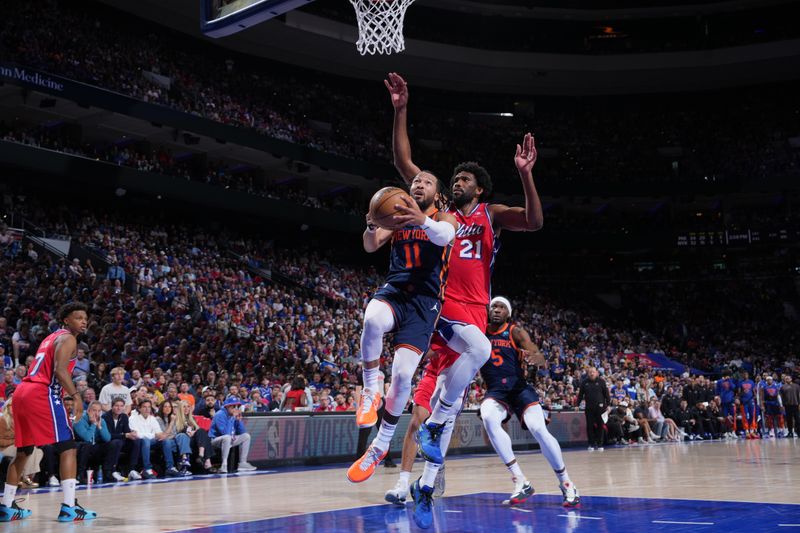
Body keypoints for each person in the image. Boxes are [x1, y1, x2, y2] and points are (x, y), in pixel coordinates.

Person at [386, 74, 543, 528]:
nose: (456, 182)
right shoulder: (441, 212)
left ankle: (427, 482)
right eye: (453, 178)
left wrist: (527, 176)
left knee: (450, 406)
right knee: (446, 391)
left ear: (480, 188)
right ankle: (412, 460)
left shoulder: (491, 214)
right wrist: (401, 109)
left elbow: (534, 222)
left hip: (474, 312)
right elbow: (403, 162)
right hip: (444, 303)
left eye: (464, 178)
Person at [347, 171, 458, 484]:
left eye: (426, 181)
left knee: (403, 376)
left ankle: (380, 445)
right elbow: (370, 245)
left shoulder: (444, 217)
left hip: (424, 302)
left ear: (438, 195)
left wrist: (420, 220)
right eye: (415, 181)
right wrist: (372, 224)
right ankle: (370, 389)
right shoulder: (395, 217)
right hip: (395, 290)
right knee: (371, 318)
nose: (418, 183)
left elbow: (443, 236)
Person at [477, 297, 579, 509]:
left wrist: (538, 359)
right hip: (496, 390)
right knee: (487, 416)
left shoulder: (515, 331)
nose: (496, 310)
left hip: (519, 388)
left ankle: (567, 483)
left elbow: (536, 352)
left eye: (501, 307)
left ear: (508, 313)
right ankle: (520, 480)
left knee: (538, 429)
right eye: (493, 306)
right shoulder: (479, 331)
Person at [1, 302, 97, 522]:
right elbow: (60, 371)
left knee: (24, 451)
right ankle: (69, 507)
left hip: (22, 392)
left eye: (85, 317)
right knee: (68, 447)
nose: (83, 321)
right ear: (66, 320)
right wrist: (76, 396)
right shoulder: (69, 338)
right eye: (78, 317)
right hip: (41, 392)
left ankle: (6, 506)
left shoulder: (50, 338)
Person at [74, 400, 124, 484]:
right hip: (81, 447)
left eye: (99, 411)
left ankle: (107, 473)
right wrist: (93, 424)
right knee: (86, 445)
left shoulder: (101, 420)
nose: (96, 413)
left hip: (95, 447)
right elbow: (86, 437)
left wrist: (100, 427)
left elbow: (107, 438)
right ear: (88, 410)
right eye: (94, 410)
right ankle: (80, 475)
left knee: (115, 443)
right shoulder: (79, 419)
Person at [0, 399, 43, 489]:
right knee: (26, 450)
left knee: (38, 451)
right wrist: (15, 441)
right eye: (12, 405)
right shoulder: (2, 420)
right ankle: (25, 478)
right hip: (4, 448)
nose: (14, 408)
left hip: (17, 445)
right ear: (7, 407)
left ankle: (25, 477)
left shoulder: (21, 420)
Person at [209, 398, 257, 474]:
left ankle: (242, 463)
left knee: (246, 436)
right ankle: (224, 465)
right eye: (233, 406)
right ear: (227, 407)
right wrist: (232, 418)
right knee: (227, 437)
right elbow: (225, 433)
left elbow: (242, 431)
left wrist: (238, 421)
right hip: (215, 440)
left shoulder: (232, 415)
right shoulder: (220, 414)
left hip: (229, 439)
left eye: (236, 406)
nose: (235, 408)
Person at [102, 398, 142, 480]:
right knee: (117, 442)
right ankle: (113, 470)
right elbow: (108, 435)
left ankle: (132, 469)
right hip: (107, 443)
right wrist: (125, 435)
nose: (119, 408)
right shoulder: (105, 417)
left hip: (121, 441)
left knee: (136, 441)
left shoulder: (124, 416)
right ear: (112, 406)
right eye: (116, 406)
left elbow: (126, 431)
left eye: (121, 406)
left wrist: (132, 433)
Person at [577, 367, 610, 451]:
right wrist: (577, 405)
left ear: (596, 373)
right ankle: (591, 444)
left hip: (600, 408)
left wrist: (608, 404)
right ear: (588, 373)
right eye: (590, 372)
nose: (592, 373)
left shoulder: (601, 381)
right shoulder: (584, 382)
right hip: (589, 408)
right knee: (589, 426)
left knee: (600, 426)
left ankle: (600, 444)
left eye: (593, 372)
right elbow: (580, 395)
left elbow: (606, 394)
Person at [716, 369, 737, 438]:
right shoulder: (719, 382)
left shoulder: (731, 380)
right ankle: (726, 432)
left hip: (731, 401)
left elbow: (733, 388)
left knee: (733, 416)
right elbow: (717, 392)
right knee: (725, 418)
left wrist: (729, 381)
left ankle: (733, 431)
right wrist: (718, 400)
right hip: (723, 402)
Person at [737, 371, 759, 439]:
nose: (745, 375)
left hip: (751, 401)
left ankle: (752, 431)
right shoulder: (741, 382)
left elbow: (754, 391)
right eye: (744, 374)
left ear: (748, 375)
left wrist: (755, 398)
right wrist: (739, 398)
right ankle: (746, 431)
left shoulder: (751, 382)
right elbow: (739, 392)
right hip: (744, 402)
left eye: (746, 374)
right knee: (745, 416)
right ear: (742, 375)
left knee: (752, 415)